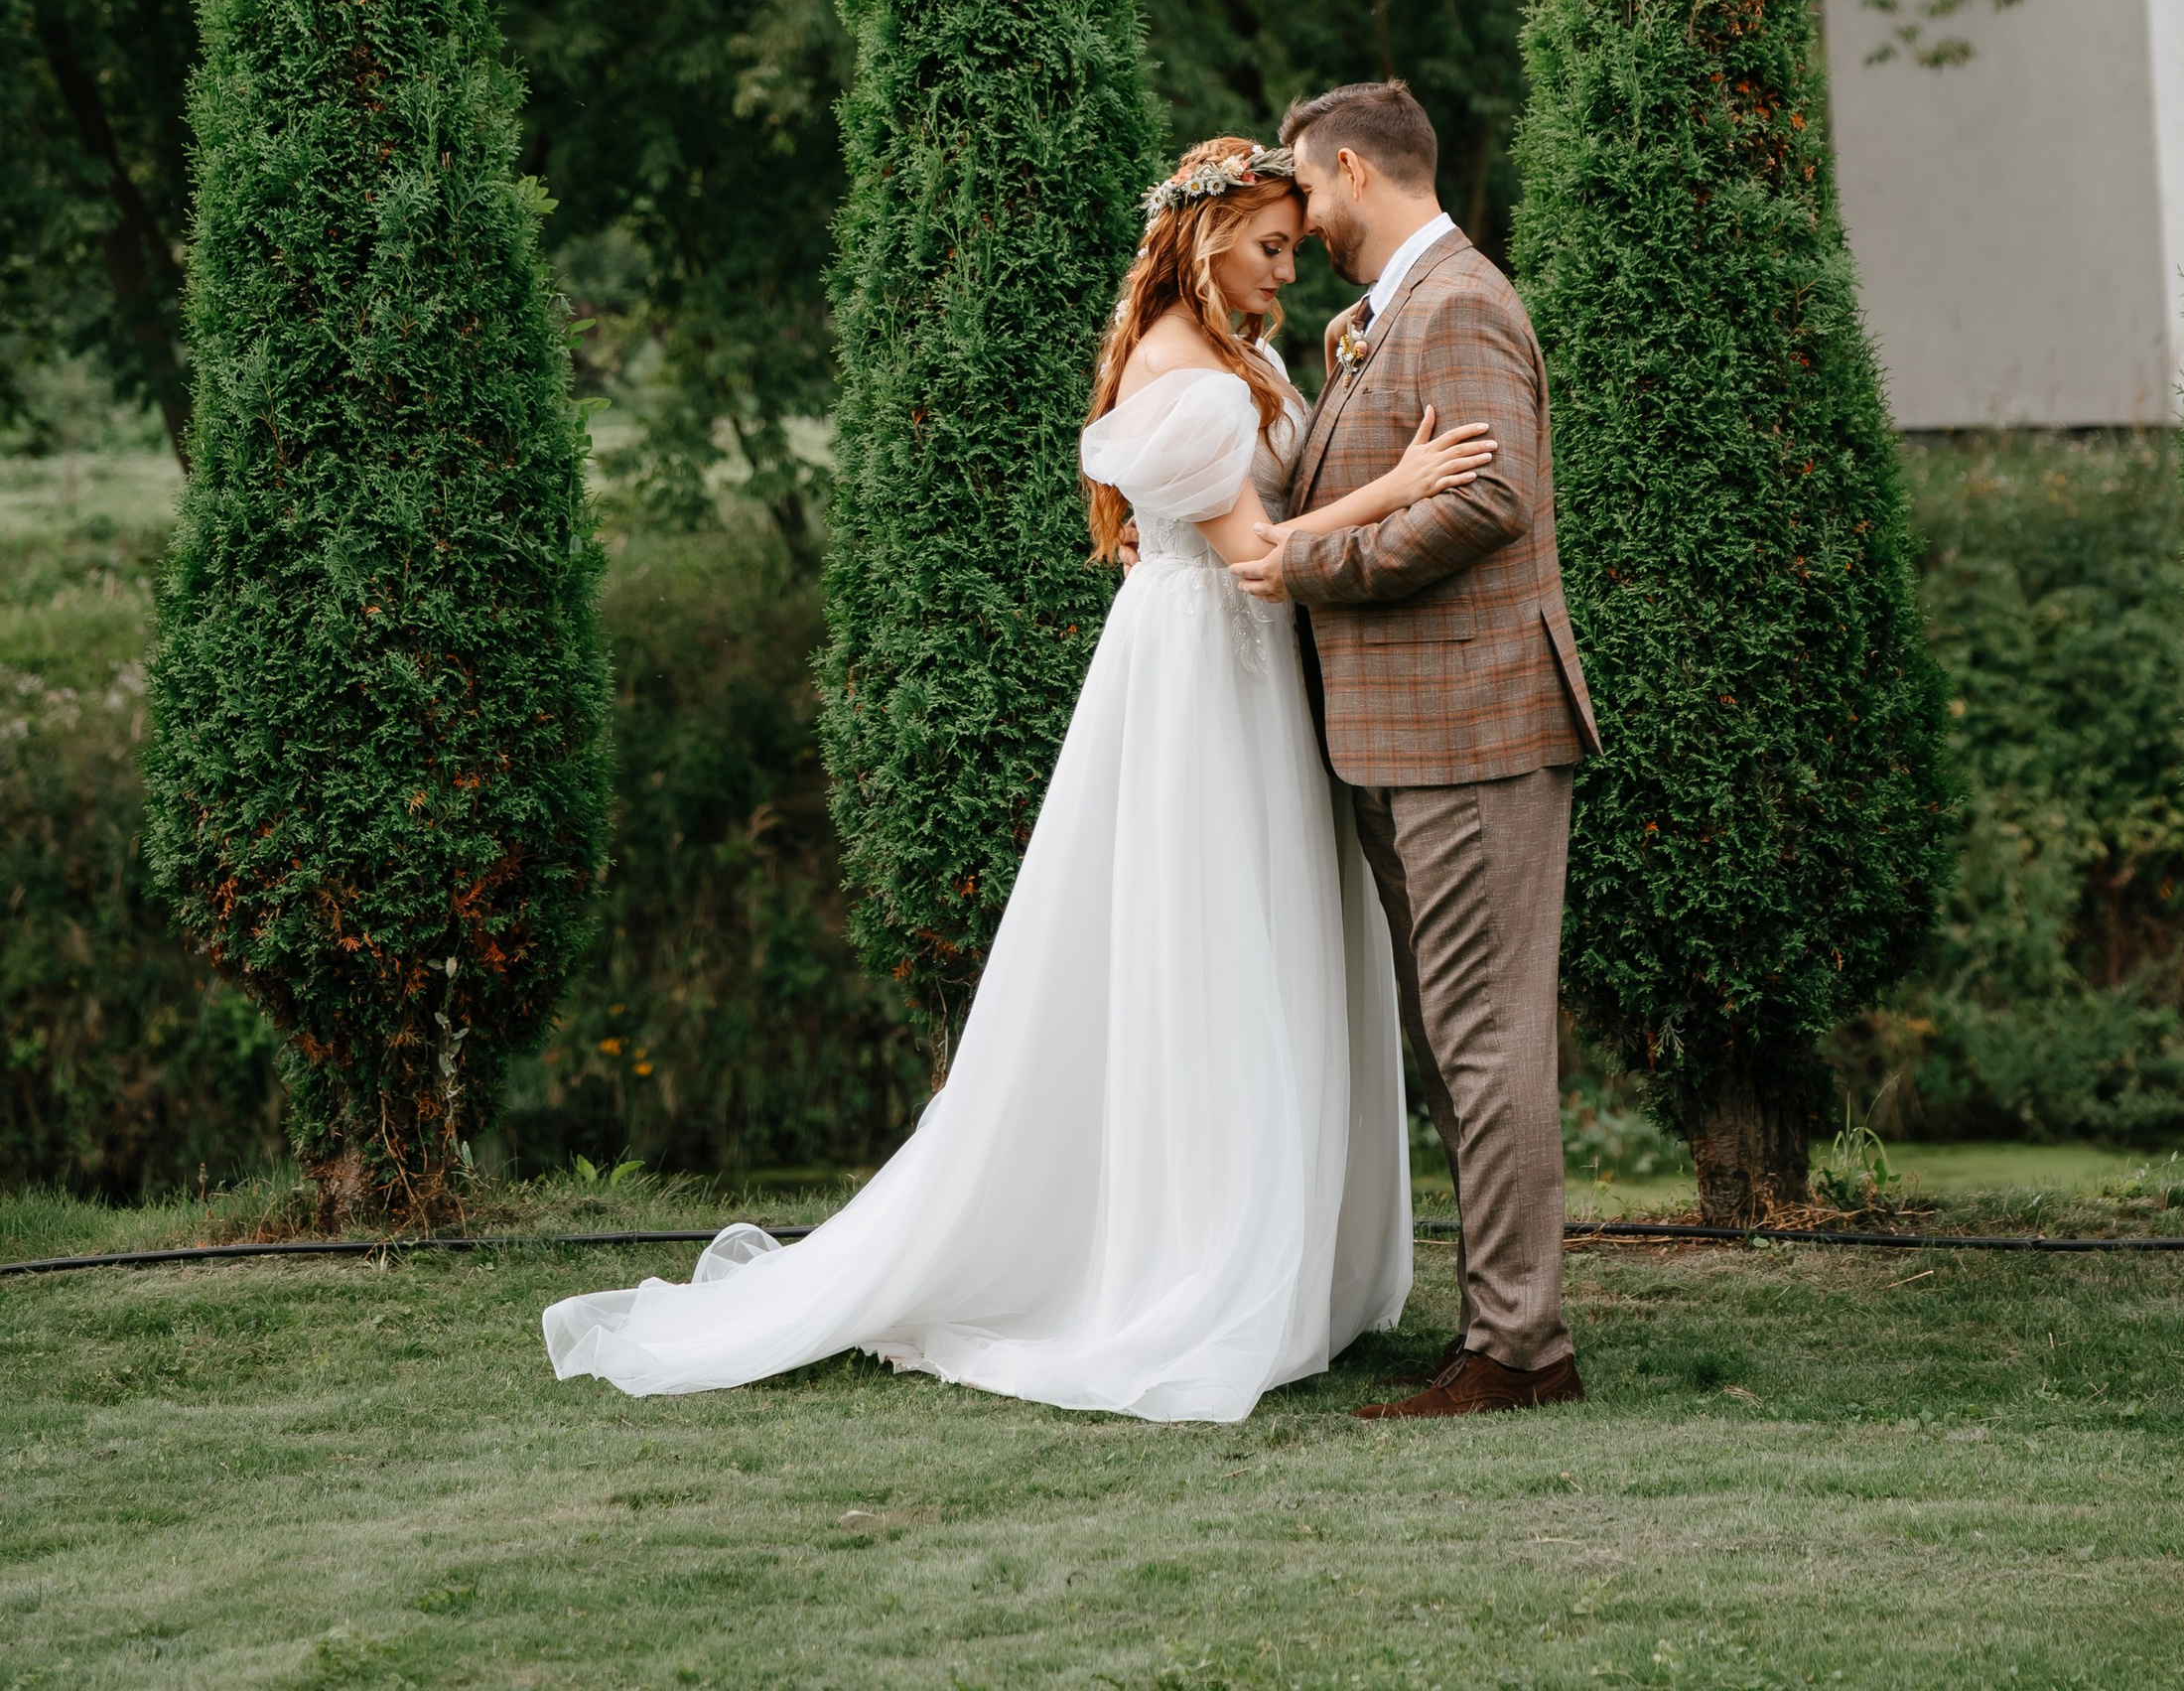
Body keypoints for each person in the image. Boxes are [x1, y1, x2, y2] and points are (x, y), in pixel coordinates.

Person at [541, 137, 1496, 1423]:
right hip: (1201, 678)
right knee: (1208, 944)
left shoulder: (1242, 358)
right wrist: (1403, 481)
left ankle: (1288, 1256)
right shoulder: (1182, 374)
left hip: (1253, 677)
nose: (1288, 268)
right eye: (1270, 247)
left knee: (1272, 944)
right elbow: (1258, 551)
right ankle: (1185, 1254)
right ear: (1208, 241)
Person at [1238, 76, 1598, 1420]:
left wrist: (1312, 566)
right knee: (1455, 1044)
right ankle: (1496, 1326)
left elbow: (1492, 496)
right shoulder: (1391, 318)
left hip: (1475, 728)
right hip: (1405, 737)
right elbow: (1384, 469)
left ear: (1351, 167)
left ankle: (1521, 1350)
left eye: (1309, 188)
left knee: (1488, 1040)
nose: (1305, 213)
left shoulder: (1461, 303)